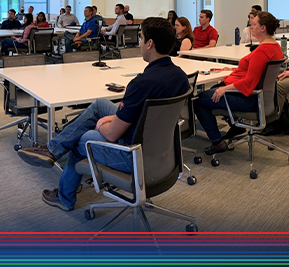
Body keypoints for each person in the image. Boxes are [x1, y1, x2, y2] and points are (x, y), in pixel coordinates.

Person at [16, 17, 189, 211]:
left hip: (133, 153)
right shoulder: (180, 77)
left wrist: (103, 124)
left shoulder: (141, 84)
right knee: (100, 105)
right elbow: (146, 115)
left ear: (150, 44)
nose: (140, 43)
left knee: (84, 138)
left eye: (141, 39)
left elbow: (112, 134)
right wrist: (113, 118)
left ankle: (65, 197)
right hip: (161, 149)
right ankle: (52, 149)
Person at [193, 12, 284, 155]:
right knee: (213, 91)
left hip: (250, 99)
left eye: (254, 24)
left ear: (263, 28)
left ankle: (217, 143)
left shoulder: (262, 51)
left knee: (198, 100)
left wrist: (224, 89)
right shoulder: (275, 47)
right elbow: (256, 73)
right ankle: (234, 125)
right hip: (263, 99)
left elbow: (249, 82)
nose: (251, 26)